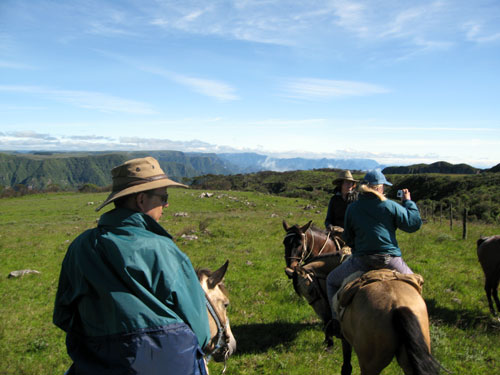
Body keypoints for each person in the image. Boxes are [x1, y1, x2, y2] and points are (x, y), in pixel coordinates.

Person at [53, 157, 211, 375]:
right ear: (141, 200)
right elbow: (201, 331)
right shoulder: (166, 251)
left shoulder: (79, 247)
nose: (167, 204)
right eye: (163, 197)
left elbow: (63, 316)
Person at [325, 169, 422, 337]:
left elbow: (348, 237)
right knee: (416, 283)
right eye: (383, 186)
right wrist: (408, 202)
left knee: (331, 281)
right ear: (378, 188)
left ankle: (336, 323)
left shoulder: (353, 208)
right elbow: (413, 224)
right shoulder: (390, 205)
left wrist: (357, 248)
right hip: (390, 260)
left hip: (362, 260)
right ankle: (419, 324)